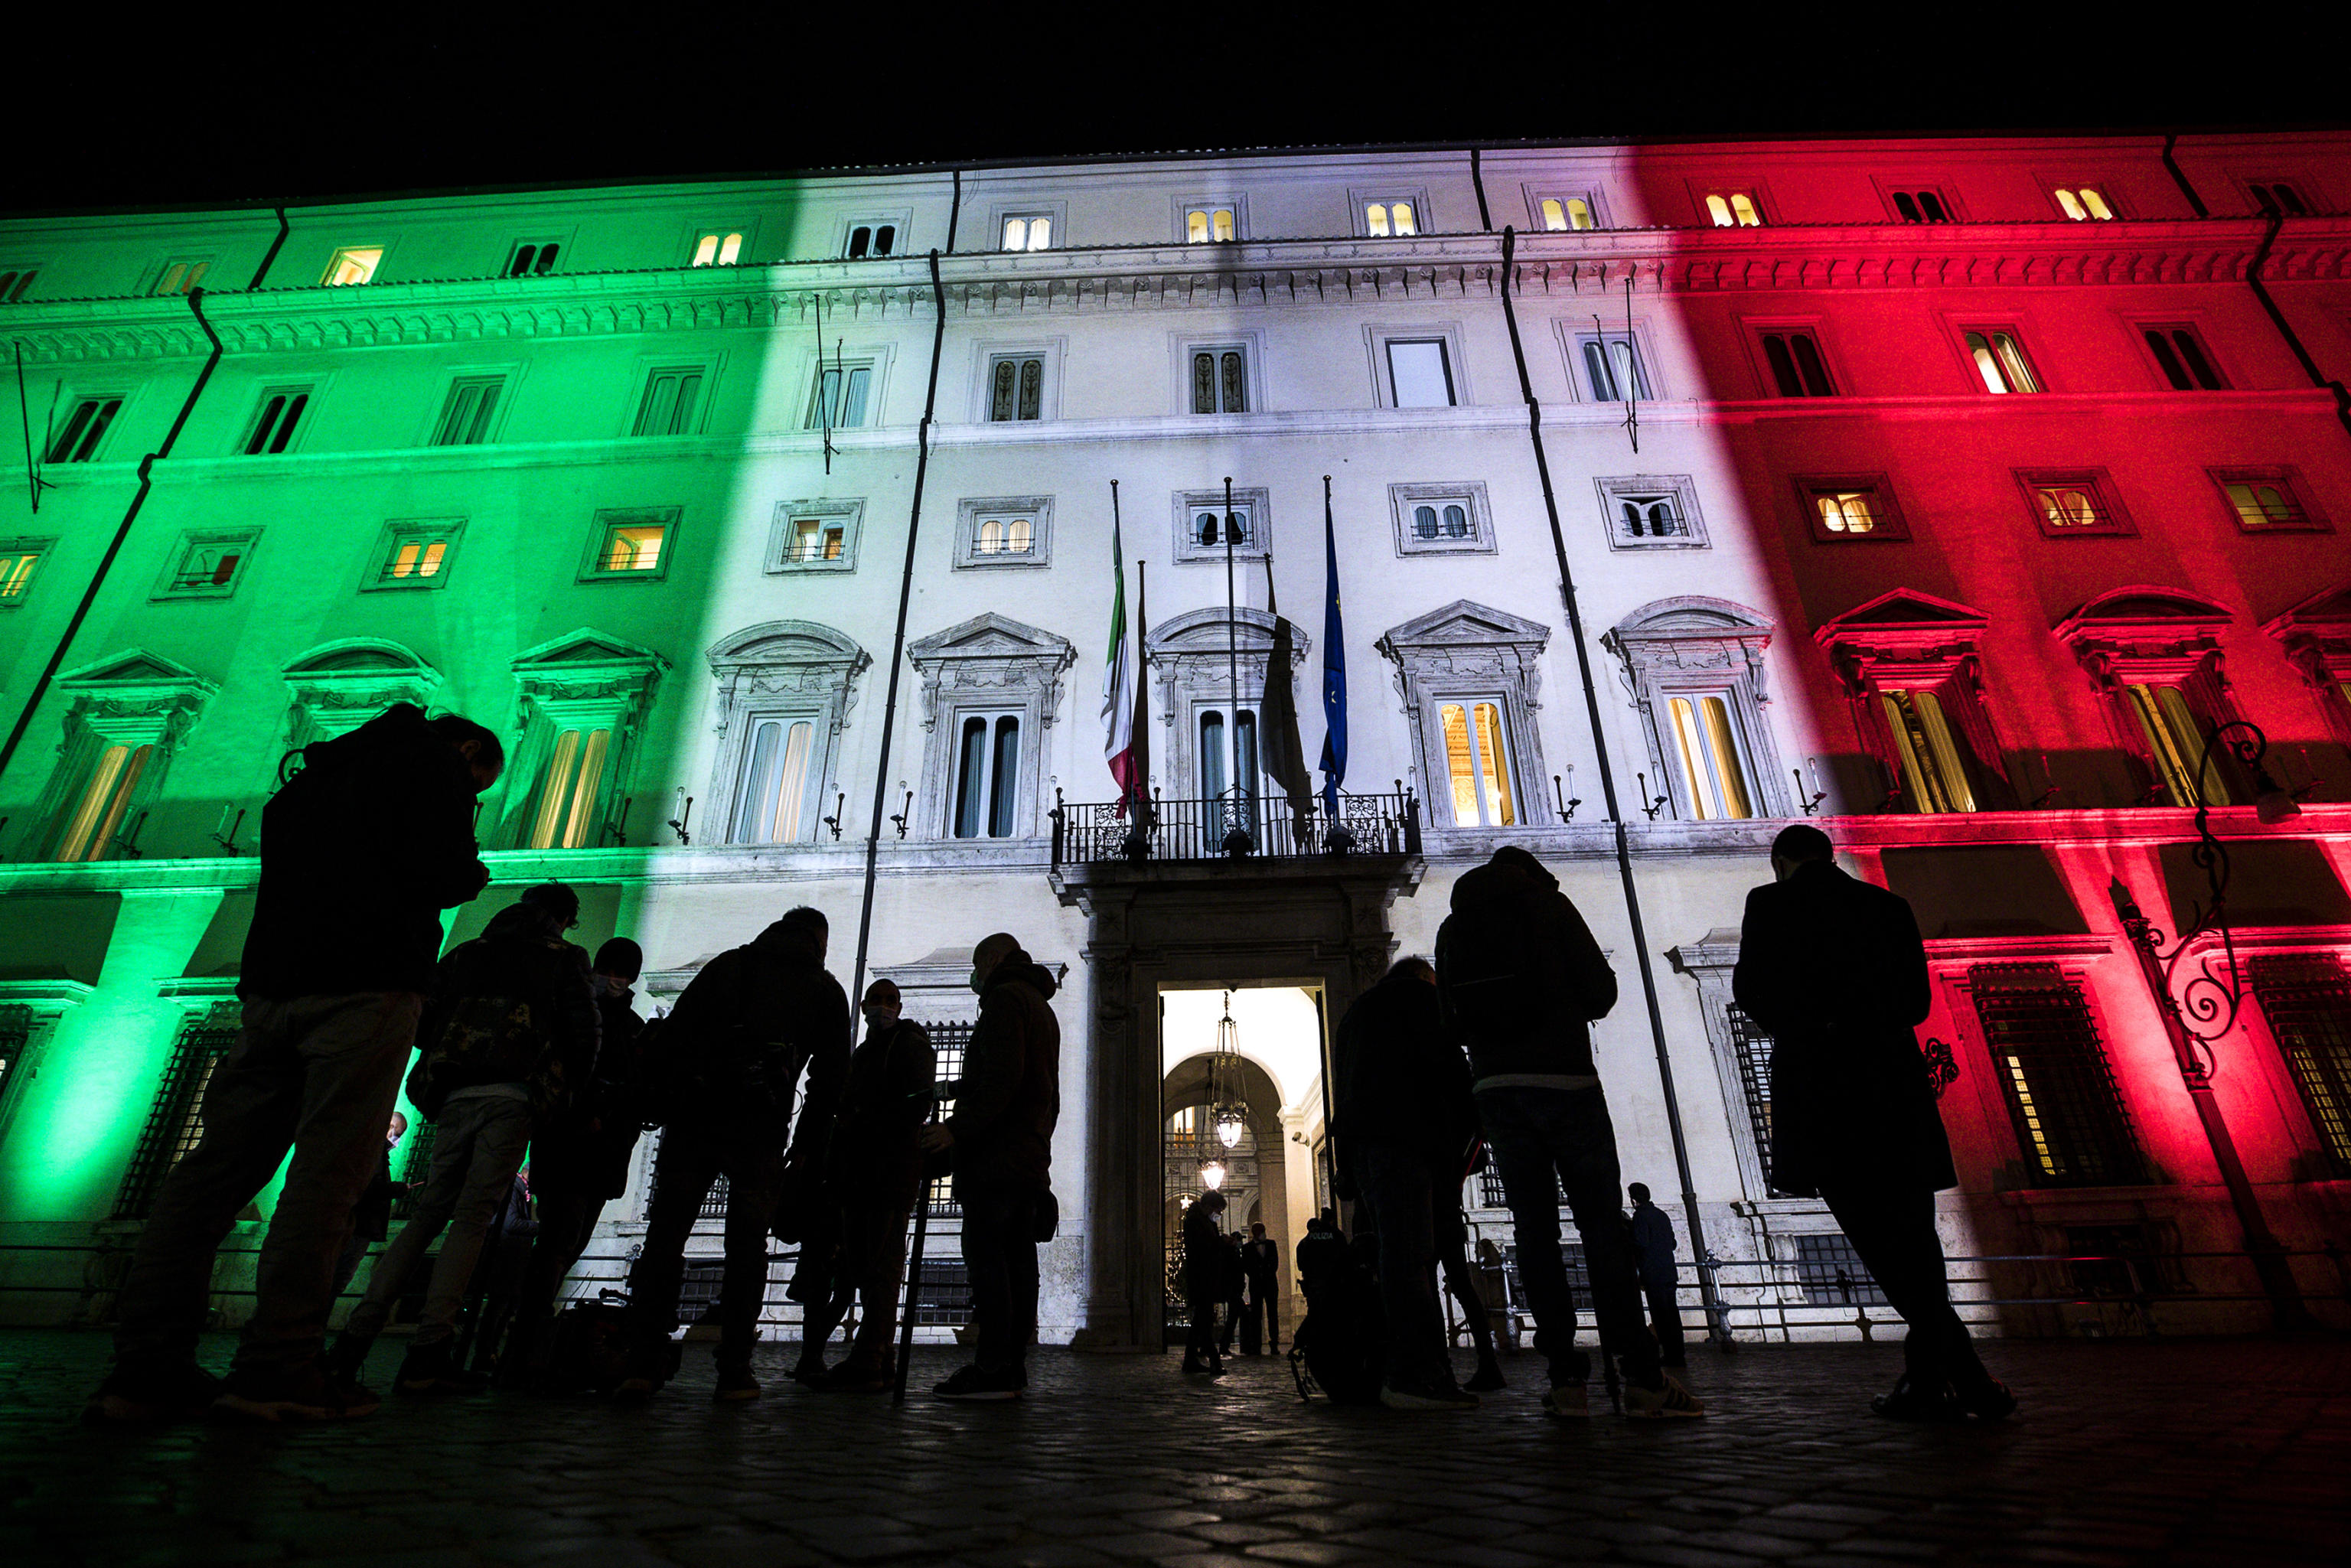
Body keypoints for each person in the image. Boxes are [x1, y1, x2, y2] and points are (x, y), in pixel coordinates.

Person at [88, 704, 501, 1425]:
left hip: (272, 987)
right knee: (328, 1179)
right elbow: (443, 871)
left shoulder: (313, 773)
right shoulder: (431, 767)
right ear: (465, 749)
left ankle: (145, 1367)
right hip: (366, 986)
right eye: (479, 785)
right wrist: (471, 859)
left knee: (210, 1175)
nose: (474, 798)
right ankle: (277, 1365)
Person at [1733, 823, 2014, 1422]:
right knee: (1915, 1233)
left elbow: (1751, 990)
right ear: (1829, 856)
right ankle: (1947, 1380)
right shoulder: (1888, 905)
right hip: (1894, 1083)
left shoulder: (1771, 902)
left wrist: (1815, 1026)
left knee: (1877, 1238)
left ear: (1781, 861)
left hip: (1821, 1088)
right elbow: (1917, 1003)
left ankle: (1957, 1378)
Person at [1437, 846, 1704, 1419]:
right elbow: (1601, 993)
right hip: (1566, 1083)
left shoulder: (1453, 926)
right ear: (1531, 873)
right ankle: (1641, 1376)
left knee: (1534, 1233)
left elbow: (1450, 1019)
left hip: (1497, 1090)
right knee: (1602, 1230)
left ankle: (1565, 1381)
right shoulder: (1551, 907)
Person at [331, 882, 598, 1394]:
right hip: (515, 1094)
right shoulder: (564, 958)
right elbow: (583, 1036)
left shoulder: (468, 953)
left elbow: (423, 1020)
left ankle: (354, 1337)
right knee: (473, 1217)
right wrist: (565, 1094)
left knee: (430, 1212)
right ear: (562, 919)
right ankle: (430, 1348)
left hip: (454, 1093)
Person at [618, 906, 849, 1403]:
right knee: (747, 1249)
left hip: (693, 1121)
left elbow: (673, 1037)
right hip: (759, 1132)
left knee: (665, 1239)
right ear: (817, 941)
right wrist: (807, 1147)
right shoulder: (823, 989)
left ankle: (642, 1361)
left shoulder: (728, 965)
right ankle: (735, 1367)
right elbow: (831, 1082)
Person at [1333, 955, 1479, 1410]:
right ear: (1422, 978)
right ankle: (1412, 1376)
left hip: (1368, 1152)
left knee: (1398, 1259)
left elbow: (1345, 1093)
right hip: (1412, 1142)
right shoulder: (1423, 1001)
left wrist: (1345, 1167)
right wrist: (1471, 1129)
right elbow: (1451, 1070)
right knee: (1411, 1261)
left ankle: (1427, 1371)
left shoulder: (1354, 1014)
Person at [505, 937, 650, 1384]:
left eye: (623, 975)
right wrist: (582, 1112)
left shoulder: (635, 1028)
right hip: (567, 1149)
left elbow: (636, 1088)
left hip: (606, 1155)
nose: (615, 981)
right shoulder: (572, 1017)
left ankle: (528, 1339)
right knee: (556, 1242)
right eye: (610, 971)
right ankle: (523, 1340)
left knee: (571, 1242)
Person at [924, 931, 1060, 1401]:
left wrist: (956, 1129)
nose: (975, 976)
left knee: (989, 1260)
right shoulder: (1040, 1006)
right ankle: (1012, 1365)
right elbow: (1040, 1088)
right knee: (1019, 1261)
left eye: (980, 964)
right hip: (1026, 1156)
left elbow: (1002, 1078)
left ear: (996, 960)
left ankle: (993, 1365)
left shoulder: (1004, 999)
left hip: (996, 1158)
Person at [794, 979, 936, 1392]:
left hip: (887, 1172)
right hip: (863, 1174)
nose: (883, 1007)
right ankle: (879, 1355)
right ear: (864, 1005)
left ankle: (870, 1355)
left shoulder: (906, 1046)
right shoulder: (866, 1052)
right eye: (877, 1000)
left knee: (878, 1267)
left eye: (890, 1001)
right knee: (872, 1265)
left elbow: (915, 1104)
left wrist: (862, 1121)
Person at [331, 1113, 409, 1298]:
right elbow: (369, 1187)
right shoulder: (373, 1153)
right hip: (357, 1226)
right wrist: (398, 1189)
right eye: (397, 1133)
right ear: (389, 1127)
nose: (396, 1140)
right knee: (339, 1277)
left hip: (354, 1224)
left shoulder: (366, 1148)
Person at [1626, 1183, 1685, 1369]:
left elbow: (1641, 1243)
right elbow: (1672, 1242)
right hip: (1669, 1271)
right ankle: (1678, 1354)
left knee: (1661, 1317)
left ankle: (1670, 1355)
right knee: (1673, 1316)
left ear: (1634, 1200)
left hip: (1653, 1274)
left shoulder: (1640, 1217)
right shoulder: (1661, 1214)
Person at [1180, 1190, 1228, 1377]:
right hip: (1201, 1277)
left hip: (1206, 1277)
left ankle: (1190, 1360)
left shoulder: (1206, 1220)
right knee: (1204, 1320)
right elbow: (1201, 1248)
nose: (1219, 1214)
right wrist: (1221, 1242)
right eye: (1218, 1210)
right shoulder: (1194, 1221)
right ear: (1209, 1206)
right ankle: (1214, 1361)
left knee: (1201, 1321)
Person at [1241, 1222, 1281, 1353]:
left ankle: (1274, 1342)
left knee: (1273, 1314)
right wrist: (1257, 1274)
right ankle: (1257, 1343)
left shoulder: (1271, 1244)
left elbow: (1275, 1263)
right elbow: (1246, 1266)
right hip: (1256, 1284)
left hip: (1270, 1284)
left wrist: (1266, 1272)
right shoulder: (1247, 1248)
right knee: (1257, 1316)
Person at [1217, 1231, 1248, 1357]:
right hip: (1233, 1291)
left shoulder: (1233, 1252)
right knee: (1244, 1314)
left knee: (1232, 1319)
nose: (1240, 1242)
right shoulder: (1230, 1253)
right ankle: (1246, 1344)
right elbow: (1233, 1271)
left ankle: (1224, 1345)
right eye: (1239, 1239)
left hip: (1235, 1290)